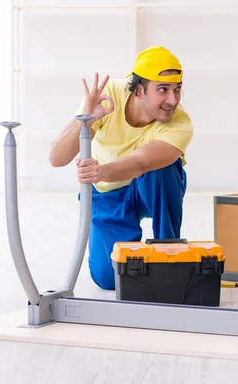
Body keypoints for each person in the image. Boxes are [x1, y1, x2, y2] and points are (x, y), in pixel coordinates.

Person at [48, 46, 194, 290]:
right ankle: (129, 246)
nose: (173, 100)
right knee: (109, 279)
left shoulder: (180, 123)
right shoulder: (107, 96)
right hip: (108, 194)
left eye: (177, 89)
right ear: (139, 90)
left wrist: (101, 171)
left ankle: (167, 253)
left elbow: (142, 162)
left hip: (146, 185)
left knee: (164, 169)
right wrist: (87, 118)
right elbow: (56, 157)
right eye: (162, 90)